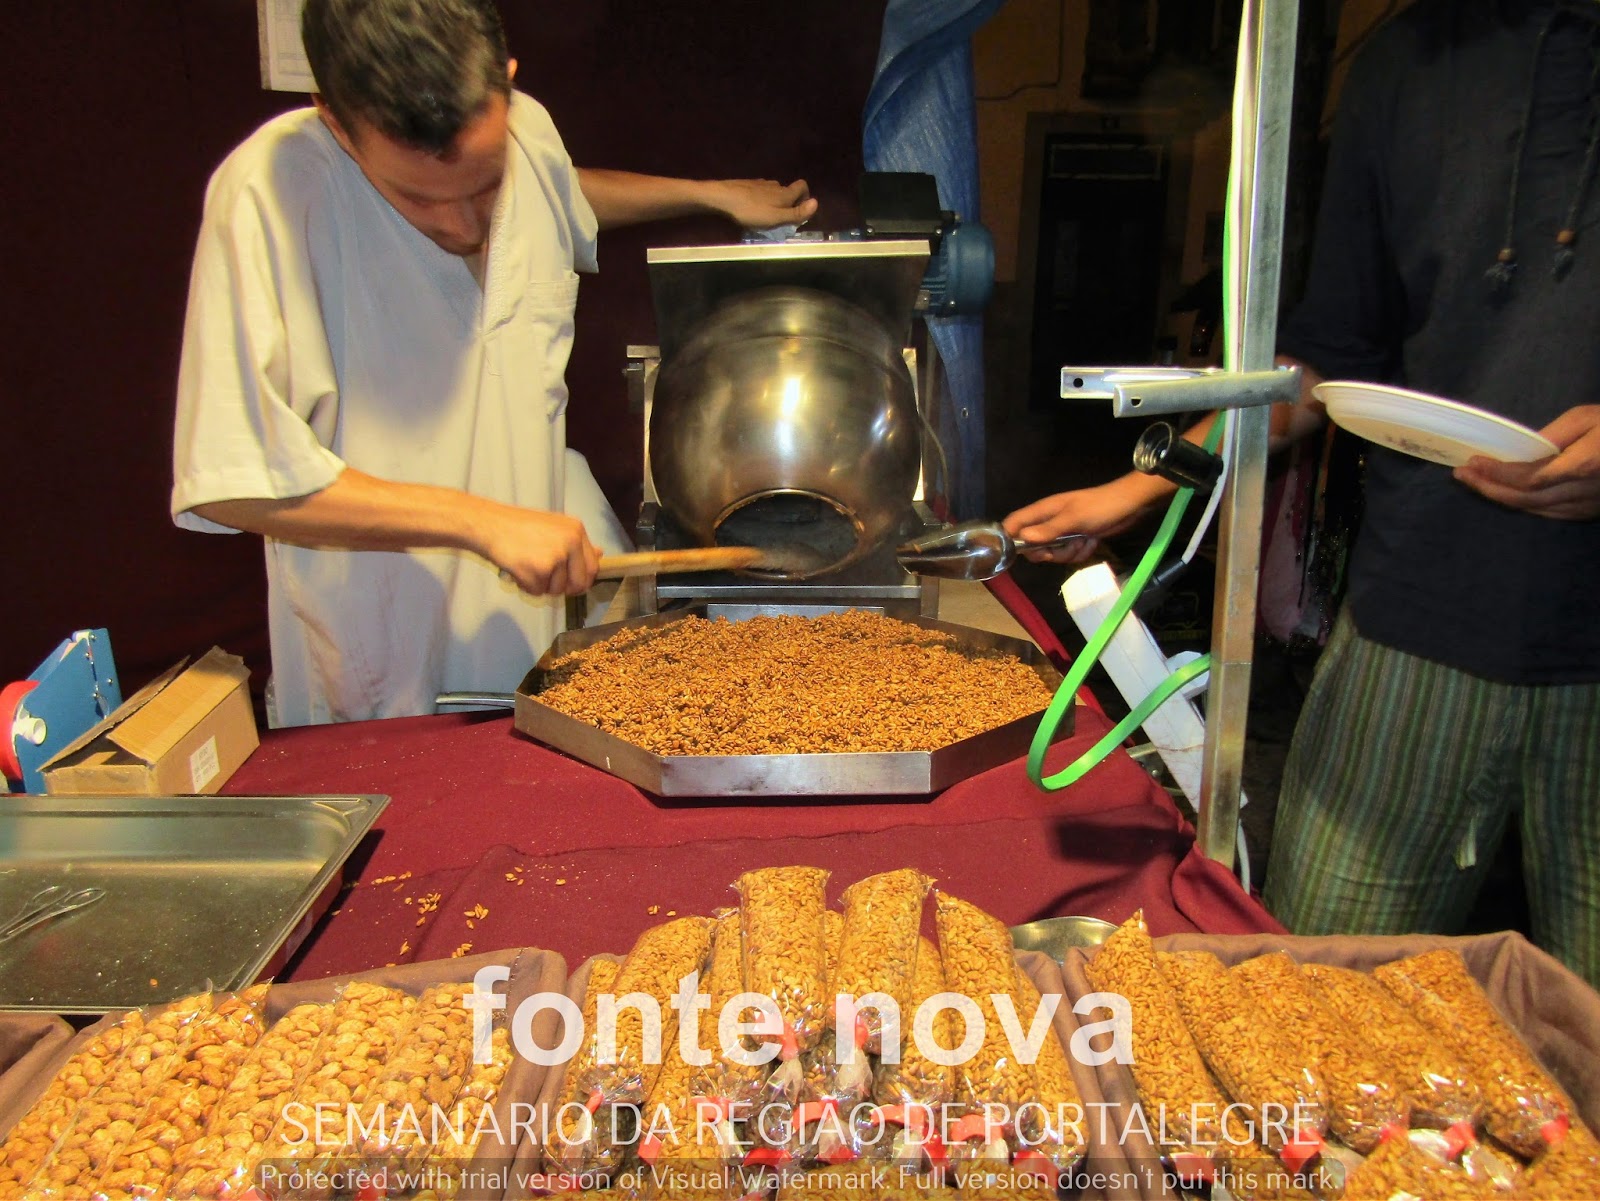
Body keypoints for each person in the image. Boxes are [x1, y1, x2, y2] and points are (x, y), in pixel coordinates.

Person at [1004, 0, 1600, 985]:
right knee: (1307, 987)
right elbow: (1326, 359)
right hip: (1416, 611)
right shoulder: (1408, 60)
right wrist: (1139, 486)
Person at [171, 0, 816, 727]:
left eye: (486, 185)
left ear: (506, 84)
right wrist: (479, 523)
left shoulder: (528, 131)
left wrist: (706, 195)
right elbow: (234, 481)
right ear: (335, 122)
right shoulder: (271, 194)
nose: (464, 227)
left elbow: (561, 191)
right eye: (415, 198)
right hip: (381, 675)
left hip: (531, 652)